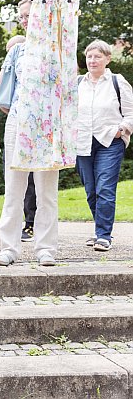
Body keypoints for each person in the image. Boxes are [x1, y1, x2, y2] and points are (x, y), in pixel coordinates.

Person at [0, 0, 59, 267]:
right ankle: (9, 248)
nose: (24, 21)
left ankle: (46, 248)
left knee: (46, 191)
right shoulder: (16, 51)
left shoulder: (58, 48)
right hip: (18, 122)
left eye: (29, 15)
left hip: (48, 126)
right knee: (13, 189)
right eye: (22, 17)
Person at [76, 40, 133, 251]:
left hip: (110, 141)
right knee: (91, 191)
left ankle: (103, 235)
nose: (92, 60)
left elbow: (131, 113)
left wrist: (122, 129)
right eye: (89, 56)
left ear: (107, 59)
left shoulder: (117, 81)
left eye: (97, 56)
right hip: (83, 142)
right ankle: (100, 229)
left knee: (105, 189)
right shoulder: (78, 83)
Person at [0, 35, 36, 243]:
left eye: (12, 49)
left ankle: (31, 223)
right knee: (13, 181)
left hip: (36, 129)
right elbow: (5, 102)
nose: (9, 53)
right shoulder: (10, 70)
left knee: (33, 182)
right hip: (16, 127)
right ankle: (12, 236)